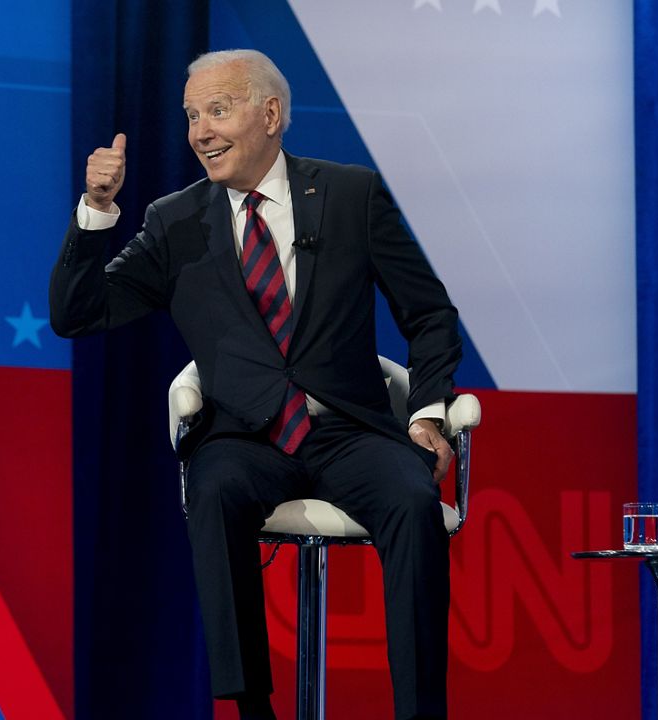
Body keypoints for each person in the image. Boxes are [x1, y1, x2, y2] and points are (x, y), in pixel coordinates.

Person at [50, 49, 462, 720]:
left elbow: (429, 313)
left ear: (270, 114)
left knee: (413, 498)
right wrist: (97, 211)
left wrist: (427, 416)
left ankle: (421, 710)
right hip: (244, 434)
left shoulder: (350, 195)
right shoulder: (173, 220)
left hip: (351, 429)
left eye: (217, 110)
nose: (200, 132)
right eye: (191, 116)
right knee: (213, 488)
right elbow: (78, 313)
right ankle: (252, 710)